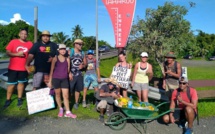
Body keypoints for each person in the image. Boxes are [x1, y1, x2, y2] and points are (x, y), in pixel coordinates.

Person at [4, 29, 33, 108]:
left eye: (25, 34)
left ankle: (19, 98)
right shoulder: (13, 42)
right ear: (19, 34)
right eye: (22, 34)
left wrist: (29, 65)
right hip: (13, 68)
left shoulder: (30, 43)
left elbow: (32, 54)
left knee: (21, 84)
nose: (24, 35)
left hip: (24, 68)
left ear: (27, 35)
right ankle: (8, 99)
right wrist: (17, 54)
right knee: (11, 85)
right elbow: (7, 52)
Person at [47, 44, 76, 118]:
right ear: (59, 51)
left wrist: (69, 73)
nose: (63, 50)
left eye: (64, 49)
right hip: (56, 78)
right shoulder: (55, 58)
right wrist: (50, 81)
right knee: (58, 94)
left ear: (65, 50)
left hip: (64, 79)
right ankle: (60, 108)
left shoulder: (67, 59)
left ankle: (68, 111)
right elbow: (51, 70)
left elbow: (68, 69)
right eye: (61, 49)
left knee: (66, 95)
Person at [69, 39, 87, 109]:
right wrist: (69, 73)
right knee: (70, 89)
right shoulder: (71, 51)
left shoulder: (82, 53)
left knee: (78, 89)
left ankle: (76, 102)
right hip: (71, 74)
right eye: (79, 44)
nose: (81, 46)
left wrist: (83, 65)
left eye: (82, 44)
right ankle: (69, 102)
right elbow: (66, 63)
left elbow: (85, 63)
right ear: (75, 44)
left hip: (79, 74)